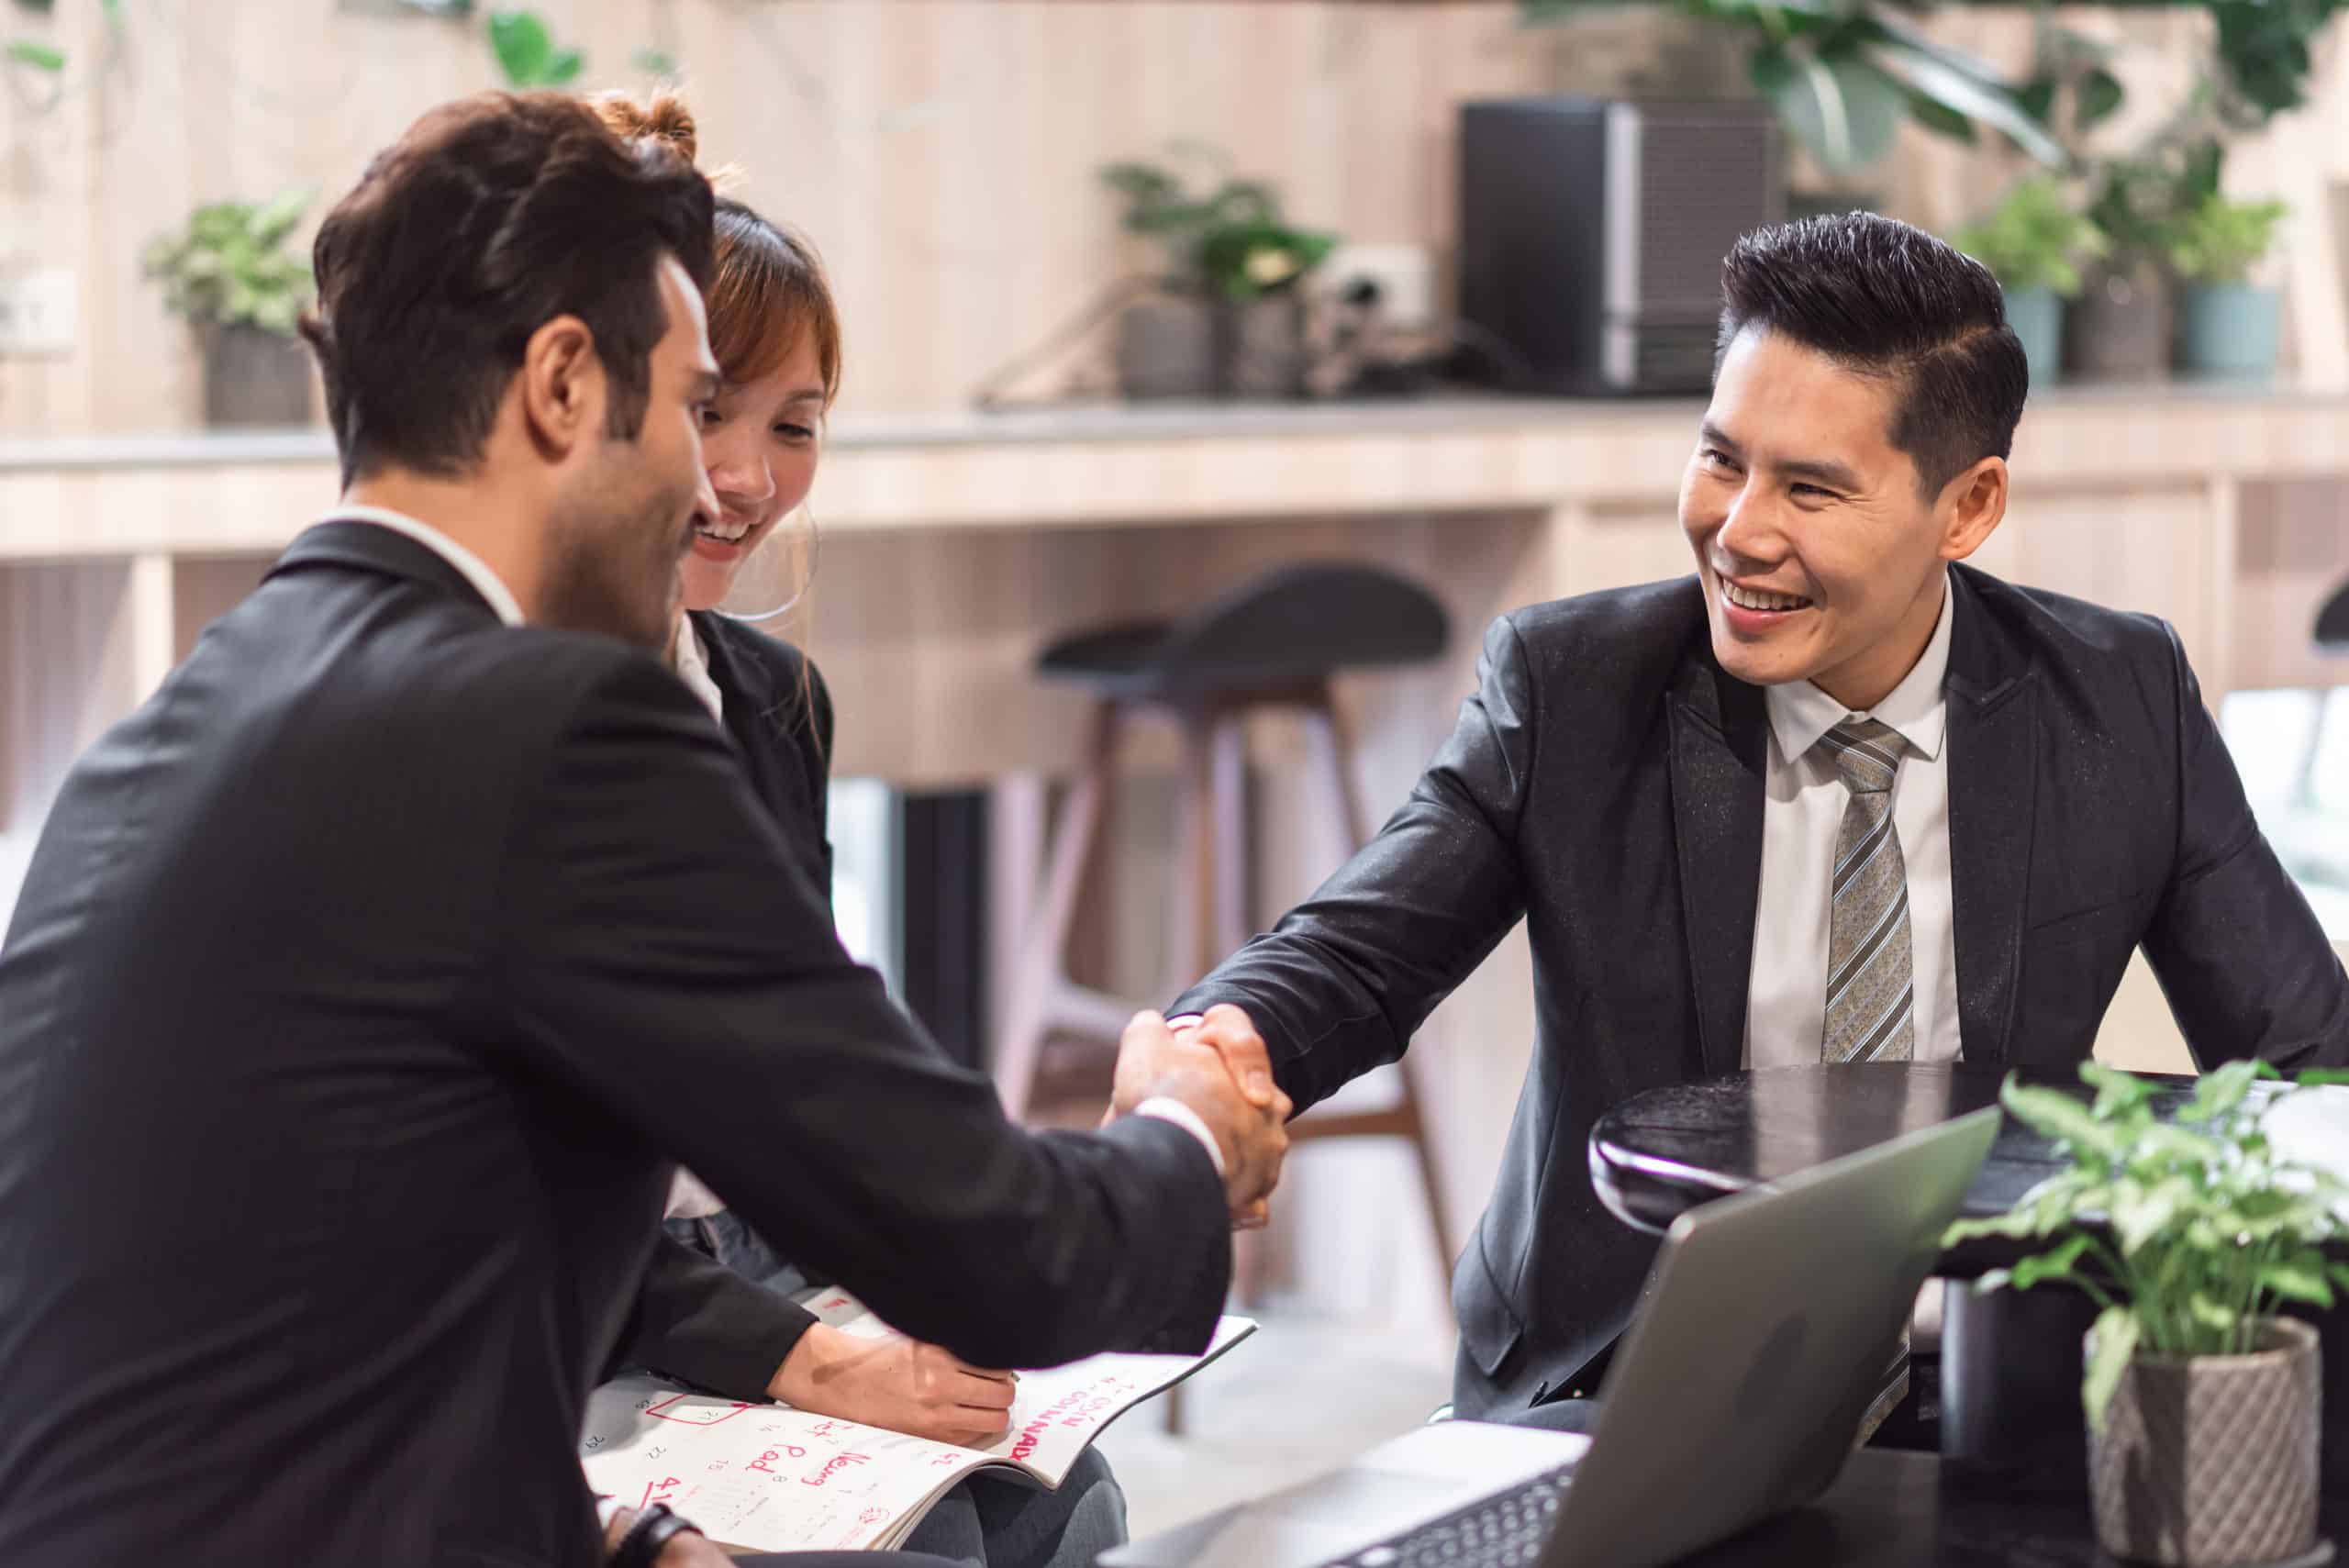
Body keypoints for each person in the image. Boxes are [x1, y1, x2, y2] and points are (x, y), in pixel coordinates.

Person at [0, 91, 1288, 1568]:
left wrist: (621, 1540)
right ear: (563, 384)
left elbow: (309, 1324)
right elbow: (1004, 1258)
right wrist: (1191, 1128)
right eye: (689, 406)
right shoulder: (550, 725)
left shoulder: (183, 720)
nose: (714, 482)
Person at [1137, 211, 2349, 1431]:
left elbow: (2311, 1064)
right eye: (1724, 459)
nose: (1741, 529)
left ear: (1968, 506)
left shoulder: (2115, 697)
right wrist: (1212, 1049)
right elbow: (1355, 955)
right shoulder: (1575, 685)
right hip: (1638, 1373)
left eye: (1811, 488)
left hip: (1993, 1384)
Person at [590, 94, 1126, 1568]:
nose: (748, 479)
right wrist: (814, 1363)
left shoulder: (770, 701)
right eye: (711, 412)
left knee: (1070, 1501)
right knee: (928, 1542)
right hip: (594, 1299)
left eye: (796, 426)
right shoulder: (517, 732)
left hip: (755, 1252)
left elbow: (802, 1088)